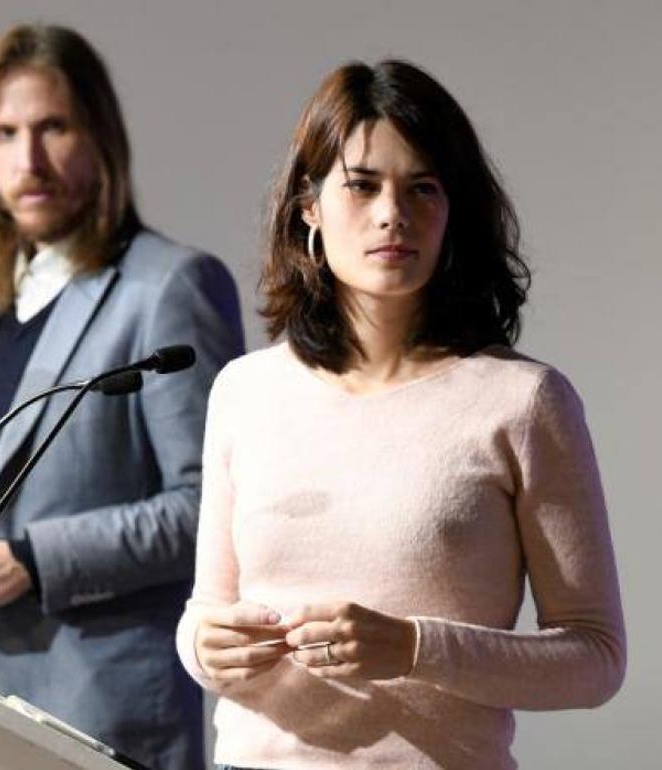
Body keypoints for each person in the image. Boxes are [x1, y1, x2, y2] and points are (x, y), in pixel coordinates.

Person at [176, 60, 625, 769]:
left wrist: (413, 647)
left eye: (423, 188)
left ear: (453, 212)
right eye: (362, 185)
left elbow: (595, 659)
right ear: (309, 206)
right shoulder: (244, 390)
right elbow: (205, 612)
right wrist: (205, 646)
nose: (392, 213)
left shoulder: (524, 401)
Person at [0, 23, 243, 770]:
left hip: (95, 710)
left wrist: (35, 559)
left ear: (101, 136)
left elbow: (209, 515)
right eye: (4, 134)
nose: (27, 160)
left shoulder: (169, 287)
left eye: (53, 127)